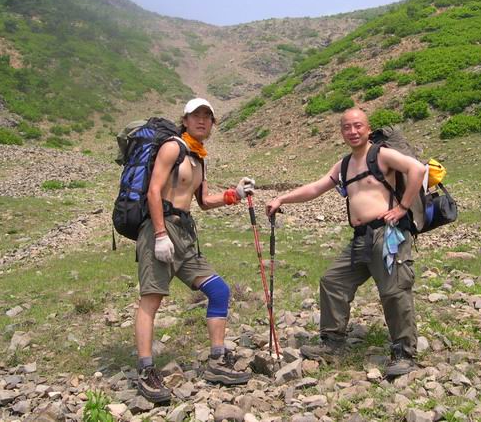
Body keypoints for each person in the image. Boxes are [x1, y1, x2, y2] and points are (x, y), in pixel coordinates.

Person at [266, 108, 426, 378]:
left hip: (388, 234)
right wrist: (282, 198)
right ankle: (332, 342)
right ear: (341, 131)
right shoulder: (344, 165)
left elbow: (417, 169)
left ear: (368, 128)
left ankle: (404, 352)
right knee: (333, 281)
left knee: (394, 291)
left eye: (358, 126)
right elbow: (315, 188)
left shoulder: (381, 154)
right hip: (361, 237)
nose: (353, 131)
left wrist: (402, 207)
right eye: (347, 127)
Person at [135, 98, 255, 403]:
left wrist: (234, 194)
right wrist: (160, 234)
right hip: (161, 228)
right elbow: (153, 191)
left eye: (207, 116)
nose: (202, 120)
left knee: (219, 291)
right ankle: (146, 370)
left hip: (185, 234)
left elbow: (202, 201)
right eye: (196, 115)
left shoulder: (198, 158)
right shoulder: (172, 148)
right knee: (151, 299)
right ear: (185, 120)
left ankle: (217, 360)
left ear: (213, 123)